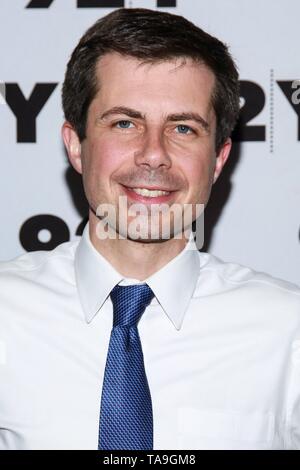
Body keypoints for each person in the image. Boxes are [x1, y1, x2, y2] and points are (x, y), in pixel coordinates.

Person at [0, 8, 299, 451]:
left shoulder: (288, 331)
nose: (153, 155)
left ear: (218, 160)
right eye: (125, 123)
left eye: (183, 127)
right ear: (76, 145)